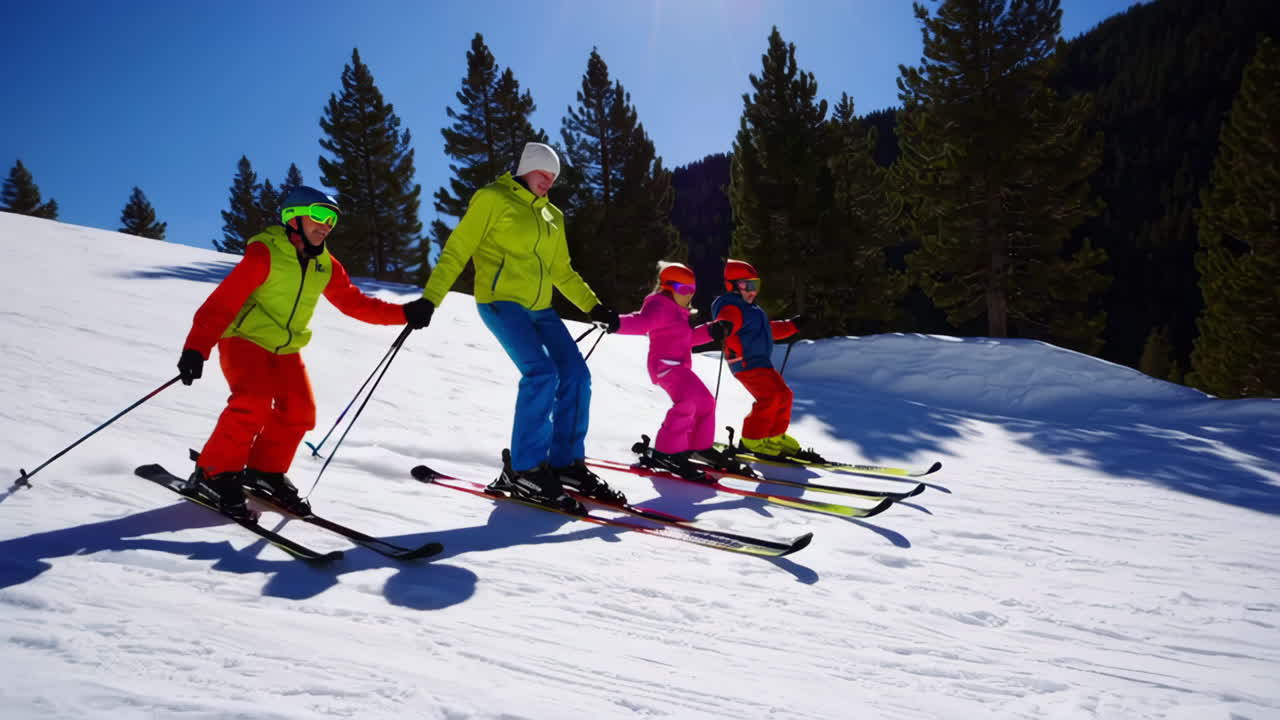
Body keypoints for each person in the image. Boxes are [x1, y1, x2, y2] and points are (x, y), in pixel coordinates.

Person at [178, 186, 433, 520]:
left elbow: (354, 303)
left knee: (300, 412)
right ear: (292, 217)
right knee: (252, 401)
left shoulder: (325, 265)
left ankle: (264, 472)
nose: (326, 225)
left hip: (286, 348)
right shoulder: (265, 254)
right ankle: (212, 472)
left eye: (331, 220)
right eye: (319, 216)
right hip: (244, 339)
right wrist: (196, 348)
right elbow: (223, 302)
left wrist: (404, 314)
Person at [413, 142, 623, 513]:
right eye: (544, 174)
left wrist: (594, 306)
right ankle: (525, 468)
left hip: (541, 309)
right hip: (501, 301)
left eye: (554, 178)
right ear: (526, 167)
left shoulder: (552, 216)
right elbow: (458, 248)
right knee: (541, 374)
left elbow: (562, 270)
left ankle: (566, 464)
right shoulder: (493, 198)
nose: (549, 182)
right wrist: (430, 299)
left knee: (576, 374)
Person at [608, 262, 736, 480]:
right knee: (687, 402)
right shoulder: (659, 307)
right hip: (665, 366)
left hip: (678, 366)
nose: (689, 295)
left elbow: (687, 339)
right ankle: (667, 452)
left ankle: (698, 446)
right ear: (668, 288)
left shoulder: (678, 312)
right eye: (684, 289)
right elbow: (641, 323)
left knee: (705, 402)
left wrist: (711, 330)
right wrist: (614, 322)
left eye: (692, 290)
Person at [710, 259, 818, 461]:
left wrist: (792, 325)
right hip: (745, 363)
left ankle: (774, 436)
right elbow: (728, 319)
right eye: (746, 285)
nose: (752, 291)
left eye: (755, 285)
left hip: (760, 363)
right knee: (770, 397)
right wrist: (723, 326)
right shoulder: (731, 306)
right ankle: (753, 439)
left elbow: (769, 330)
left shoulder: (753, 311)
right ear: (731, 286)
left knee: (784, 395)